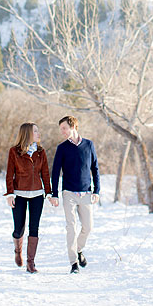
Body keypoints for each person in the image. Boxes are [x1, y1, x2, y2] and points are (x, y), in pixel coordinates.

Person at [49, 115, 100, 274]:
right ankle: (73, 264)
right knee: (71, 227)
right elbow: (56, 172)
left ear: (73, 127)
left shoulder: (89, 145)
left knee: (88, 227)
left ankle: (78, 249)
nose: (62, 132)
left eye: (64, 128)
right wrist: (54, 194)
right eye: (61, 129)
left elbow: (95, 169)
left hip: (85, 193)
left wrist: (96, 190)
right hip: (69, 193)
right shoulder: (62, 148)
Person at [4, 122, 52, 273]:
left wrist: (49, 192)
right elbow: (9, 174)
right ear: (27, 134)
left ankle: (31, 263)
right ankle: (18, 250)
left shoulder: (40, 151)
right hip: (19, 194)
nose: (38, 134)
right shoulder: (14, 152)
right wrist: (10, 193)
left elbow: (45, 173)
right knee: (19, 229)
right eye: (35, 131)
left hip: (37, 194)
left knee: (34, 227)